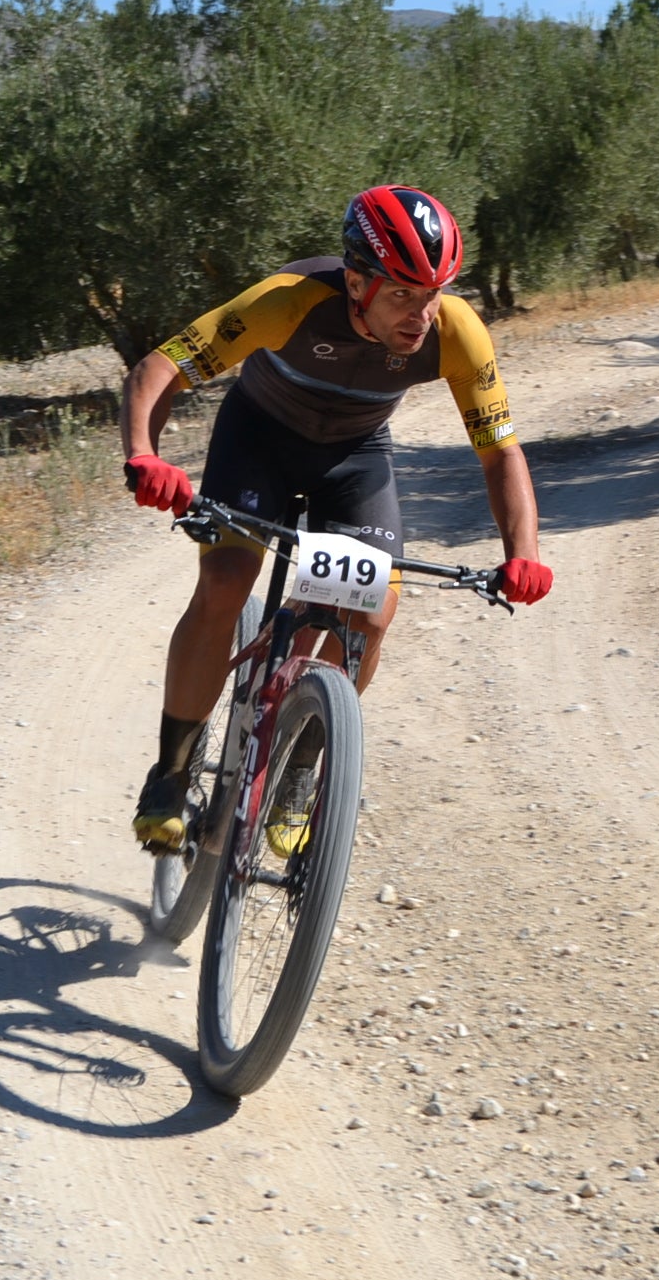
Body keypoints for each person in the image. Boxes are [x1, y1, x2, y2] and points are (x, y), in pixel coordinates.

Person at [118, 184, 553, 853]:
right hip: (257, 441)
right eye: (402, 294)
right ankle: (170, 774)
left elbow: (500, 450)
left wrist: (523, 552)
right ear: (356, 282)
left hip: (353, 457)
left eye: (433, 292)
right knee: (228, 579)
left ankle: (299, 767)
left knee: (372, 611)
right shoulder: (288, 302)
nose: (421, 314)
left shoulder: (455, 330)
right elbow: (161, 367)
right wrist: (145, 457)